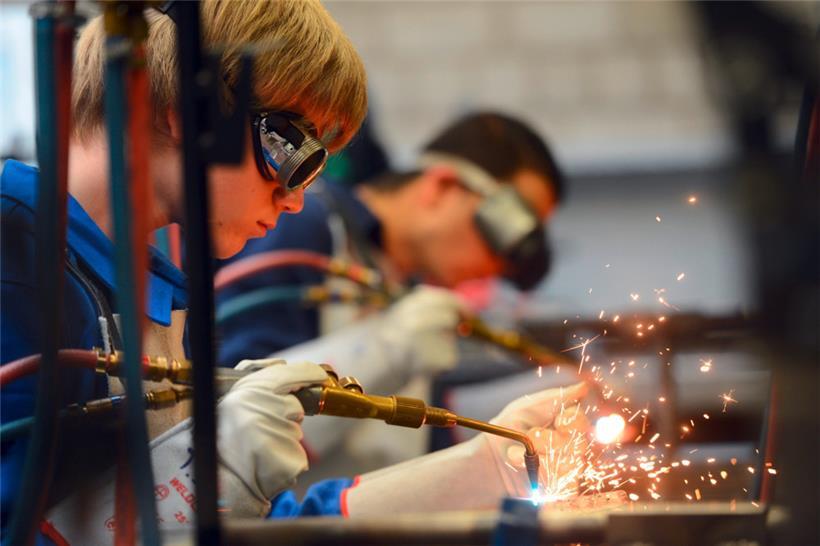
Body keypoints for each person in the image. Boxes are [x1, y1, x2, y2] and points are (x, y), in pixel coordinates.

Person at [1, 0, 366, 543]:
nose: (295, 200)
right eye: (292, 151)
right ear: (184, 110)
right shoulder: (16, 263)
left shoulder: (157, 297)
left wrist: (468, 477)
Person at [215, 112, 568, 472]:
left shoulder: (409, 297)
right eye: (505, 231)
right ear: (441, 186)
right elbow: (234, 409)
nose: (501, 266)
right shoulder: (310, 228)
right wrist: (389, 348)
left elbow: (425, 450)